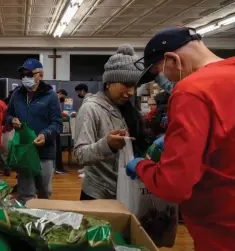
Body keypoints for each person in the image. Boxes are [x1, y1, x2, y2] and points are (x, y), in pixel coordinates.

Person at [125, 27, 235, 251]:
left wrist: (143, 167)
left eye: (159, 73)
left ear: (171, 59)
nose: (164, 82)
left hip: (222, 228)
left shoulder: (191, 90)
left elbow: (174, 186)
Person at [74, 44, 151, 200]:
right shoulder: (91, 108)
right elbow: (80, 155)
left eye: (135, 86)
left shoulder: (128, 108)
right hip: (98, 194)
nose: (131, 92)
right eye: (126, 85)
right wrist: (106, 145)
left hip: (127, 189)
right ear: (109, 82)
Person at [5, 58, 62, 205]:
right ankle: (26, 224)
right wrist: (12, 120)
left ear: (40, 76)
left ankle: (44, 222)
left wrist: (45, 134)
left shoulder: (50, 96)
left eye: (29, 74)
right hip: (24, 151)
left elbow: (57, 123)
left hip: (44, 152)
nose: (25, 78)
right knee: (25, 193)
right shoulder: (17, 94)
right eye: (23, 74)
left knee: (44, 192)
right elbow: (8, 114)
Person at [55, 89, 69, 174]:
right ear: (60, 93)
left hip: (54, 127)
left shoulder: (55, 100)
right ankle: (58, 168)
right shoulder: (55, 99)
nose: (63, 99)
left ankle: (58, 167)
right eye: (63, 97)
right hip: (54, 127)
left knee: (57, 148)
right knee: (57, 148)